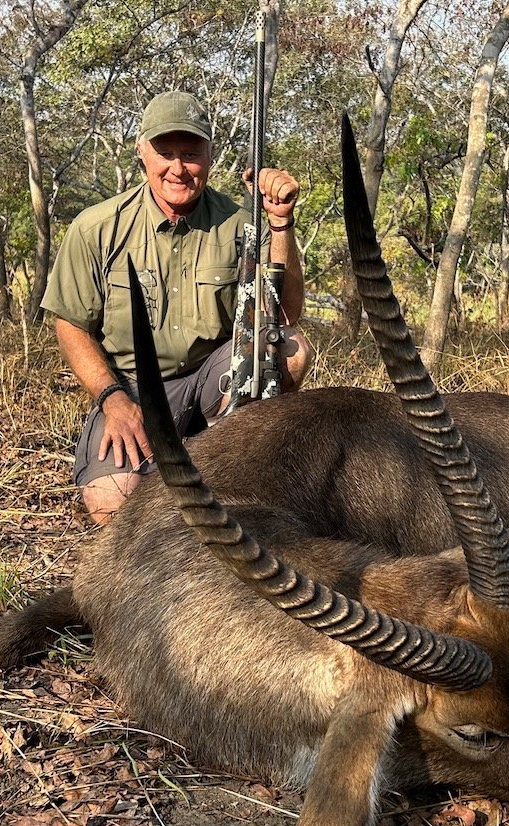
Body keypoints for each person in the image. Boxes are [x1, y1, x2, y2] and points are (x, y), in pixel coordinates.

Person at [42, 91, 314, 523]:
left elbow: (282, 316)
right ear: (142, 152)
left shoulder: (242, 221)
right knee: (111, 506)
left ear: (210, 154)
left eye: (190, 154)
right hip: (134, 388)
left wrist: (279, 222)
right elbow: (71, 325)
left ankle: (242, 455)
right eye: (164, 152)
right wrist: (113, 401)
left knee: (291, 348)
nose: (177, 168)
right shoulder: (96, 227)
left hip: (213, 376)